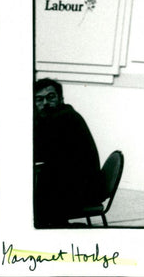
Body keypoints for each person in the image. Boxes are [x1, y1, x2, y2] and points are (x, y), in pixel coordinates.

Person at [33, 78, 104, 228]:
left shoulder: (63, 118)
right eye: (39, 99)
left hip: (79, 192)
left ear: (61, 98)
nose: (45, 103)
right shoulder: (61, 116)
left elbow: (37, 152)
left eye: (50, 97)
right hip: (76, 186)